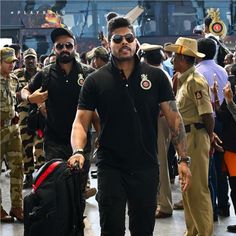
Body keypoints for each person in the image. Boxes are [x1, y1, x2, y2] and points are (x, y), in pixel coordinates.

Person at [68, 16, 191, 236]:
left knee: (143, 230)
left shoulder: (156, 77)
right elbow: (80, 121)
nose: (124, 42)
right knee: (111, 229)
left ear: (136, 42)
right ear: (108, 42)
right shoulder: (95, 81)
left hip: (145, 166)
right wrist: (77, 151)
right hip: (110, 167)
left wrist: (183, 159)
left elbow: (174, 119)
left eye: (129, 37)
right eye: (117, 38)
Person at [20, 28, 97, 200]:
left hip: (82, 142)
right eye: (59, 46)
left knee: (79, 191)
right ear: (54, 49)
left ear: (74, 47)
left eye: (68, 45)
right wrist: (31, 98)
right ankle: (61, 225)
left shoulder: (88, 74)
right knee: (57, 188)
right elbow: (25, 90)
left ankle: (77, 224)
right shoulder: (46, 73)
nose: (64, 49)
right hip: (54, 140)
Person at [165, 37, 217, 235]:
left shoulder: (195, 81)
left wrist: (210, 136)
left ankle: (204, 232)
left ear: (182, 57)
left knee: (197, 190)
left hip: (195, 137)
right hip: (186, 139)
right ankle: (192, 230)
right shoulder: (182, 80)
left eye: (175, 56)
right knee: (187, 189)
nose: (171, 60)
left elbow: (206, 113)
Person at [196, 37, 228, 221]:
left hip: (208, 124)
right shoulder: (222, 70)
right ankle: (224, 205)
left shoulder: (197, 73)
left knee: (208, 169)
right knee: (221, 167)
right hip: (223, 121)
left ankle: (212, 209)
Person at [140, 43, 173, 218]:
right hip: (159, 123)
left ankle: (165, 205)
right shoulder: (161, 73)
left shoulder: (157, 75)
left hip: (160, 122)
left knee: (160, 163)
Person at [15, 48, 45, 189]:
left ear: (37, 60)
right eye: (28, 58)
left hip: (39, 113)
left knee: (40, 144)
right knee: (25, 145)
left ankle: (41, 175)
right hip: (24, 114)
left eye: (33, 58)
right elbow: (12, 93)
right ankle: (28, 176)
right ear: (23, 60)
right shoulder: (17, 75)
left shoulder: (42, 73)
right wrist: (23, 95)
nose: (30, 61)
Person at [0, 47, 24, 222]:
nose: (11, 65)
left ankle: (17, 207)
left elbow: (13, 102)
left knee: (18, 168)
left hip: (13, 130)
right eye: (8, 62)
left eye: (13, 61)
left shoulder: (14, 80)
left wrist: (14, 114)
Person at [213, 81, 236, 233]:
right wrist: (216, 96)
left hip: (234, 150)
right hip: (230, 150)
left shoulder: (231, 100)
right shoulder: (230, 98)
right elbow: (220, 117)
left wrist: (229, 101)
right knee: (233, 188)